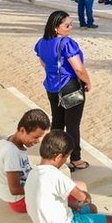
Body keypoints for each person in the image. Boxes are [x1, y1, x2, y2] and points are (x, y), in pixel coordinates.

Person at [34, 11, 92, 171]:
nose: (70, 28)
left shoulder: (41, 42)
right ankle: (75, 158)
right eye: (67, 25)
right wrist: (87, 81)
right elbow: (78, 68)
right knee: (73, 125)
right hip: (69, 86)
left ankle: (54, 155)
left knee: (57, 123)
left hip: (52, 86)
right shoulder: (67, 43)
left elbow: (43, 63)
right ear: (55, 28)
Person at [25, 131, 112, 223]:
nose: (66, 160)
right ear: (59, 157)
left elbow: (47, 201)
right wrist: (87, 196)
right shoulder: (56, 176)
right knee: (111, 221)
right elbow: (83, 198)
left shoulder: (33, 173)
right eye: (67, 157)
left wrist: (71, 204)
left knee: (92, 208)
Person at [0, 109, 51, 213]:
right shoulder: (11, 152)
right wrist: (41, 188)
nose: (38, 141)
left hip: (23, 192)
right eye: (36, 137)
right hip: (19, 202)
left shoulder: (14, 142)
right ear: (22, 130)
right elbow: (15, 190)